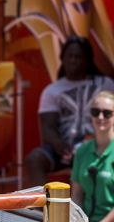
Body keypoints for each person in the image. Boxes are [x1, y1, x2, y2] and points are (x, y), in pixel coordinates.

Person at [25, 36, 114, 187]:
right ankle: (45, 202)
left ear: (87, 61)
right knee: (33, 159)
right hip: (67, 149)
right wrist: (57, 143)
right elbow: (47, 128)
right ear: (62, 58)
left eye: (77, 57)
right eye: (69, 56)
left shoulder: (104, 84)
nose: (73, 60)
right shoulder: (52, 91)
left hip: (99, 145)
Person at [71, 91, 114, 222]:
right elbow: (76, 194)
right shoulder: (81, 151)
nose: (100, 117)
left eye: (107, 113)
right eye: (95, 112)